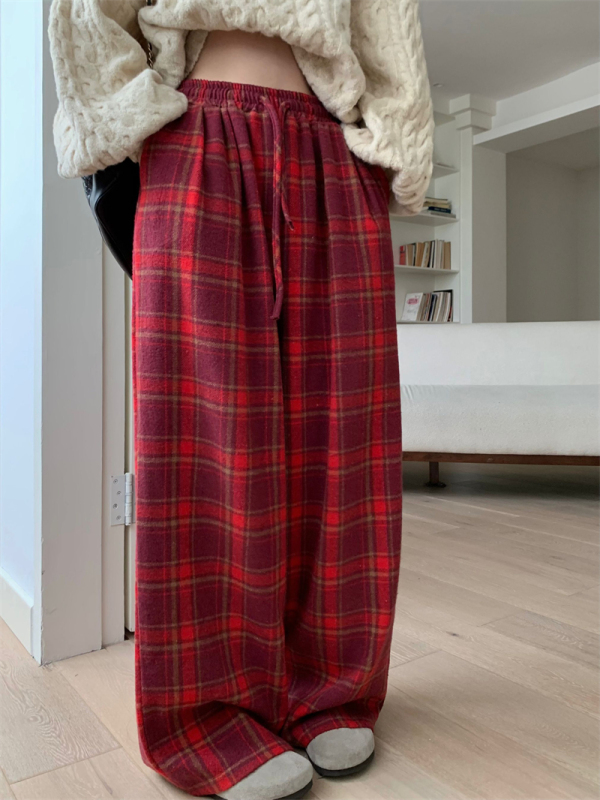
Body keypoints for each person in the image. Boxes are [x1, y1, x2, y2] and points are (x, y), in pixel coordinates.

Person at [47, 3, 435, 799]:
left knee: (348, 436)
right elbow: (88, 15)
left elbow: (386, 24)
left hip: (336, 148)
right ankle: (209, 710)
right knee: (206, 435)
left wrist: (394, 142)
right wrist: (136, 115)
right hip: (195, 133)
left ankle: (332, 687)